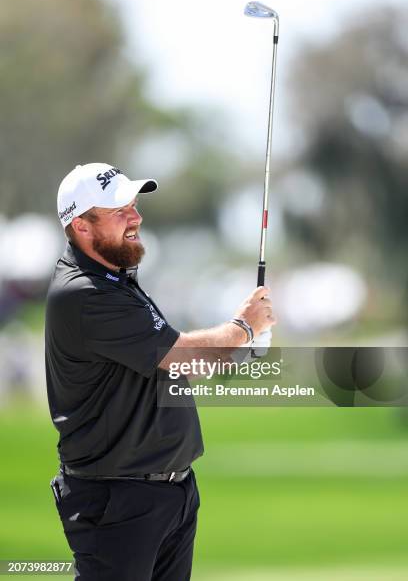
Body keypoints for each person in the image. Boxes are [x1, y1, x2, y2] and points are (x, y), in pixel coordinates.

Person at [46, 162, 275, 581]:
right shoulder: (84, 294)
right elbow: (181, 352)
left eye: (133, 205)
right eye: (119, 210)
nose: (136, 217)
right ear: (81, 226)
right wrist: (243, 327)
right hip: (118, 501)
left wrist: (241, 346)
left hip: (168, 494)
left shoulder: (116, 281)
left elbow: (179, 365)